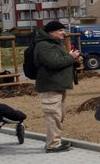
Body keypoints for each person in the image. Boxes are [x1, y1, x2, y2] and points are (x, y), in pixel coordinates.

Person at [33, 20, 80, 152]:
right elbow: (54, 63)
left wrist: (74, 60)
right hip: (50, 86)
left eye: (63, 30)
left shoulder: (54, 44)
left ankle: (56, 140)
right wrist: (71, 57)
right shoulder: (44, 46)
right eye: (60, 30)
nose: (63, 33)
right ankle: (52, 144)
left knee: (59, 115)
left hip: (58, 86)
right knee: (53, 115)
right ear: (51, 32)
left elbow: (63, 62)